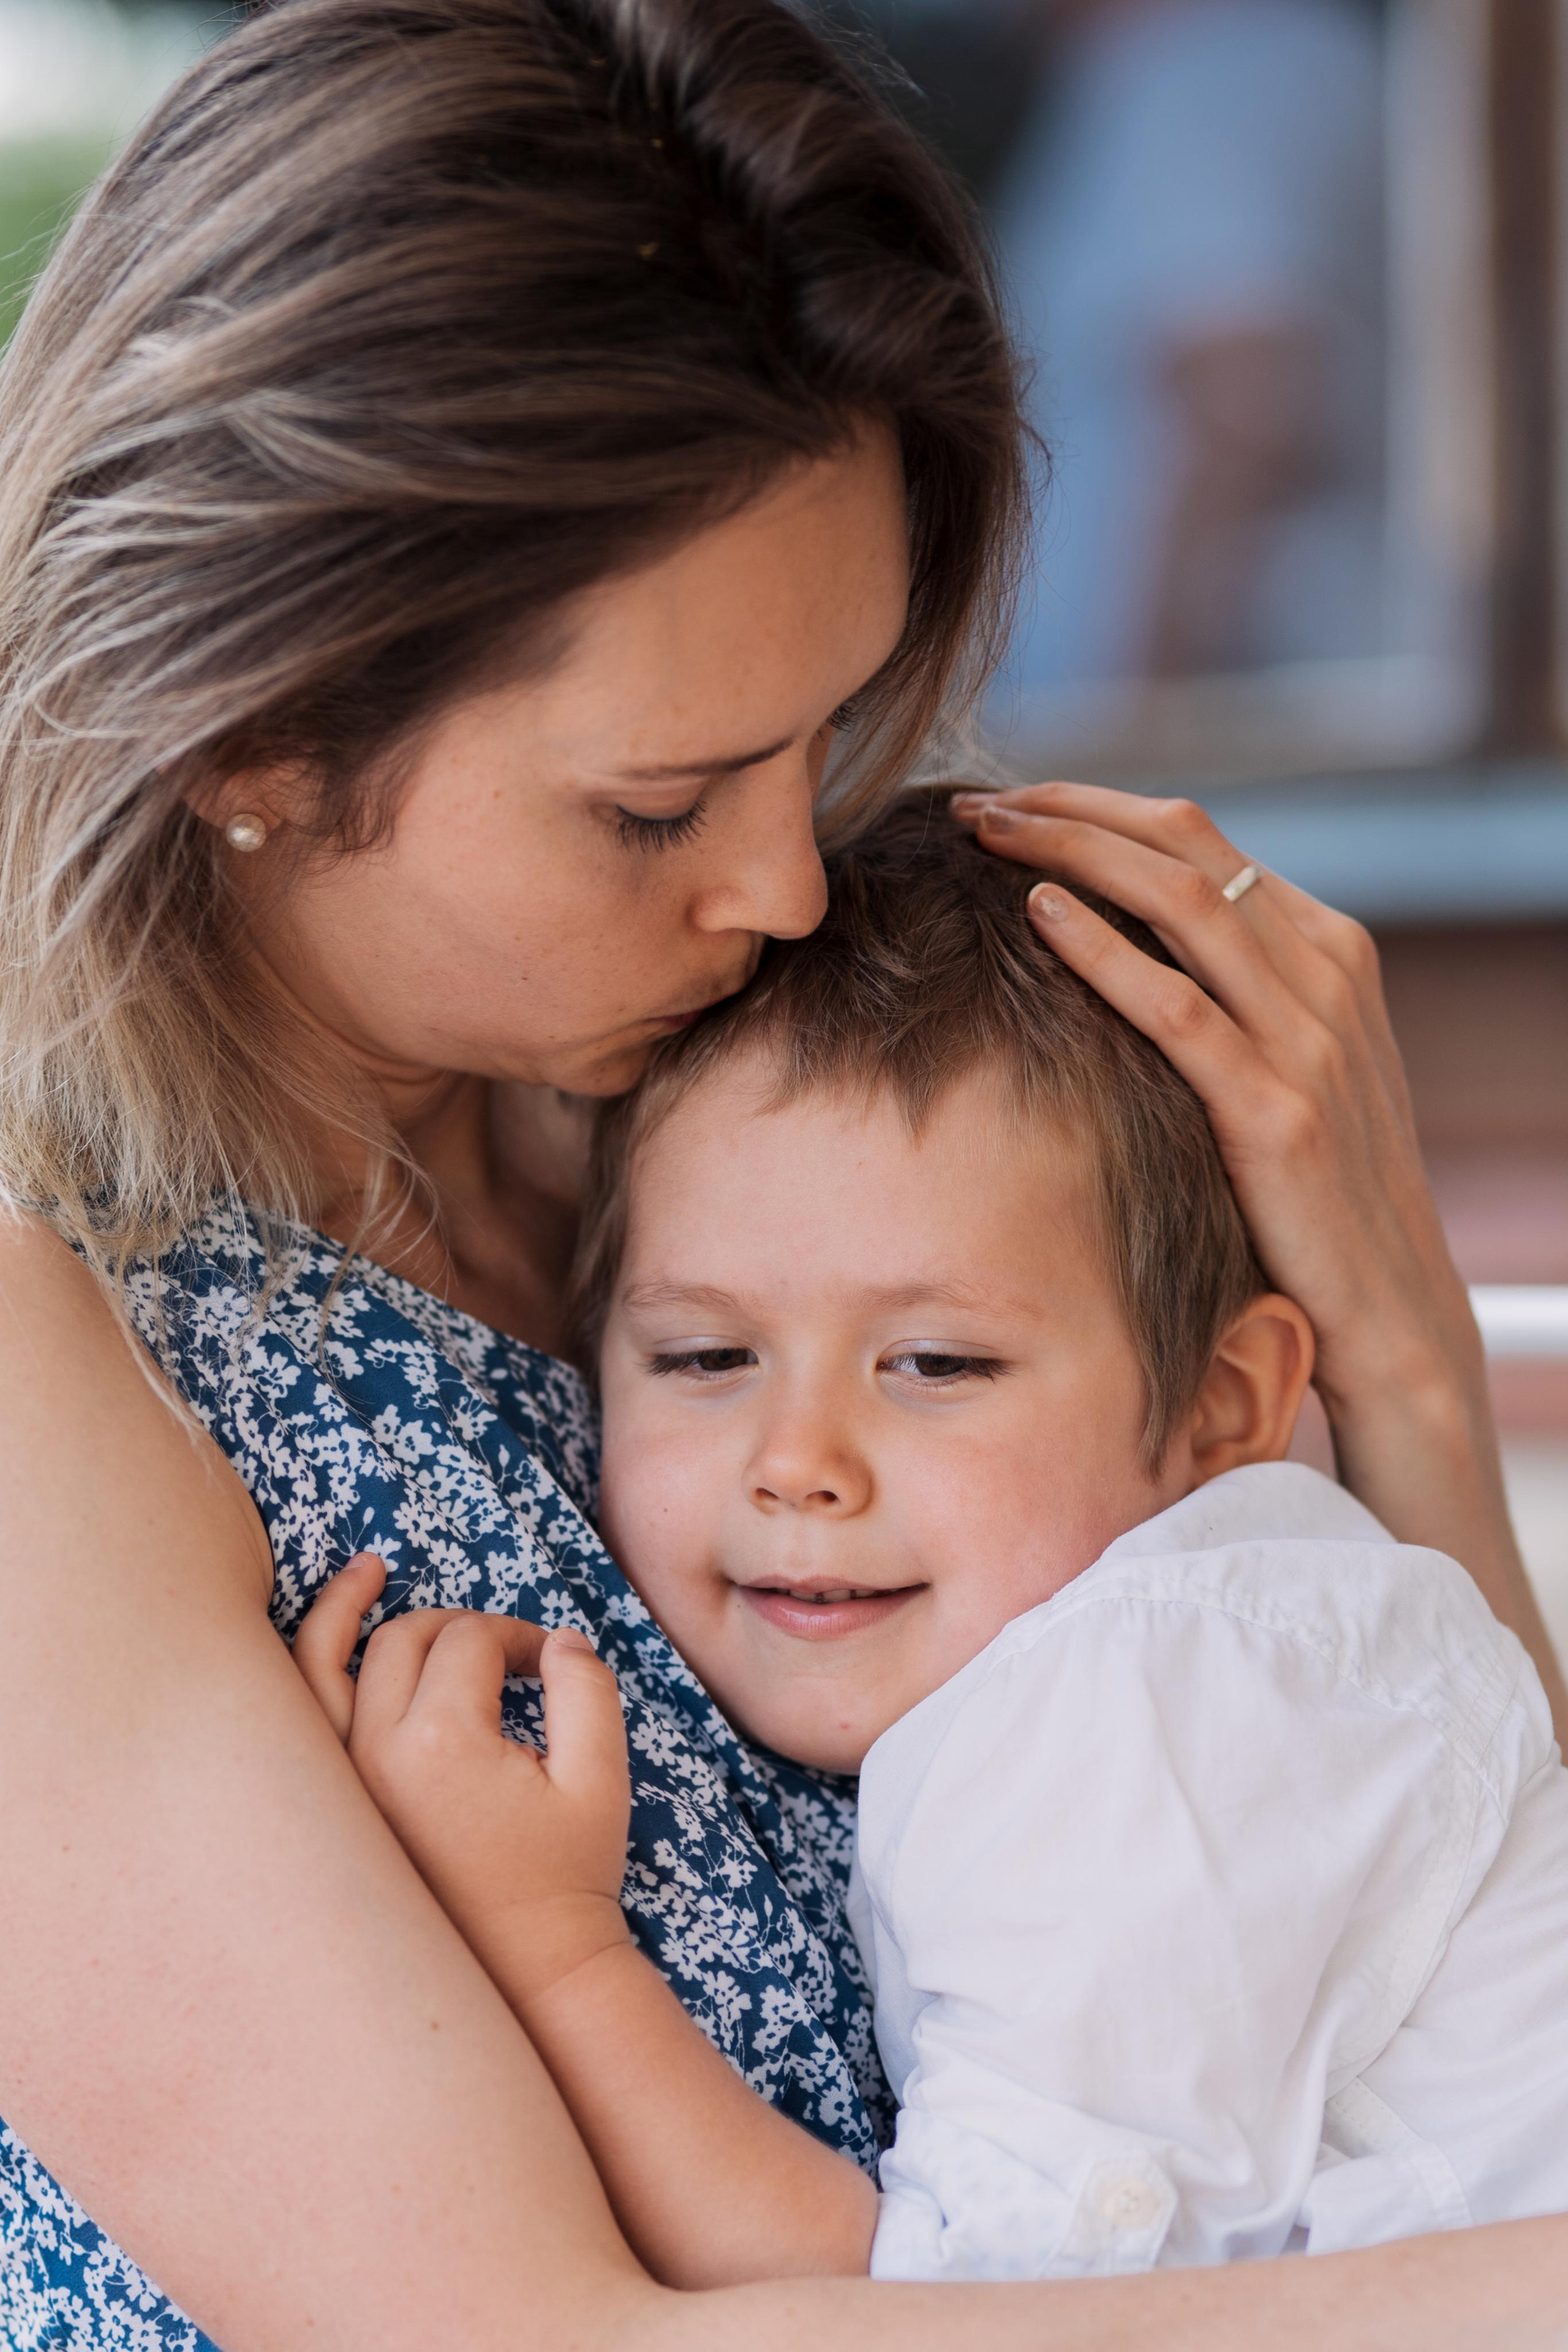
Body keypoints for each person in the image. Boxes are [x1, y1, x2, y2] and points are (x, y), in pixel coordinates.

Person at [0, 2, 1562, 2347]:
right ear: (257, 724)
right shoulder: (54, 1360)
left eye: (828, 741)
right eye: (658, 803)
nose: (787, 888)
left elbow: (1444, 1973)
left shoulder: (772, 1103)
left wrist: (1406, 1375)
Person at [292, 800, 1568, 2286]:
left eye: (936, 1366)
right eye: (706, 1358)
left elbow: (958, 2316)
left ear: (1221, 1410)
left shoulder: (1141, 1705)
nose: (798, 1466)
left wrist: (546, 1944)